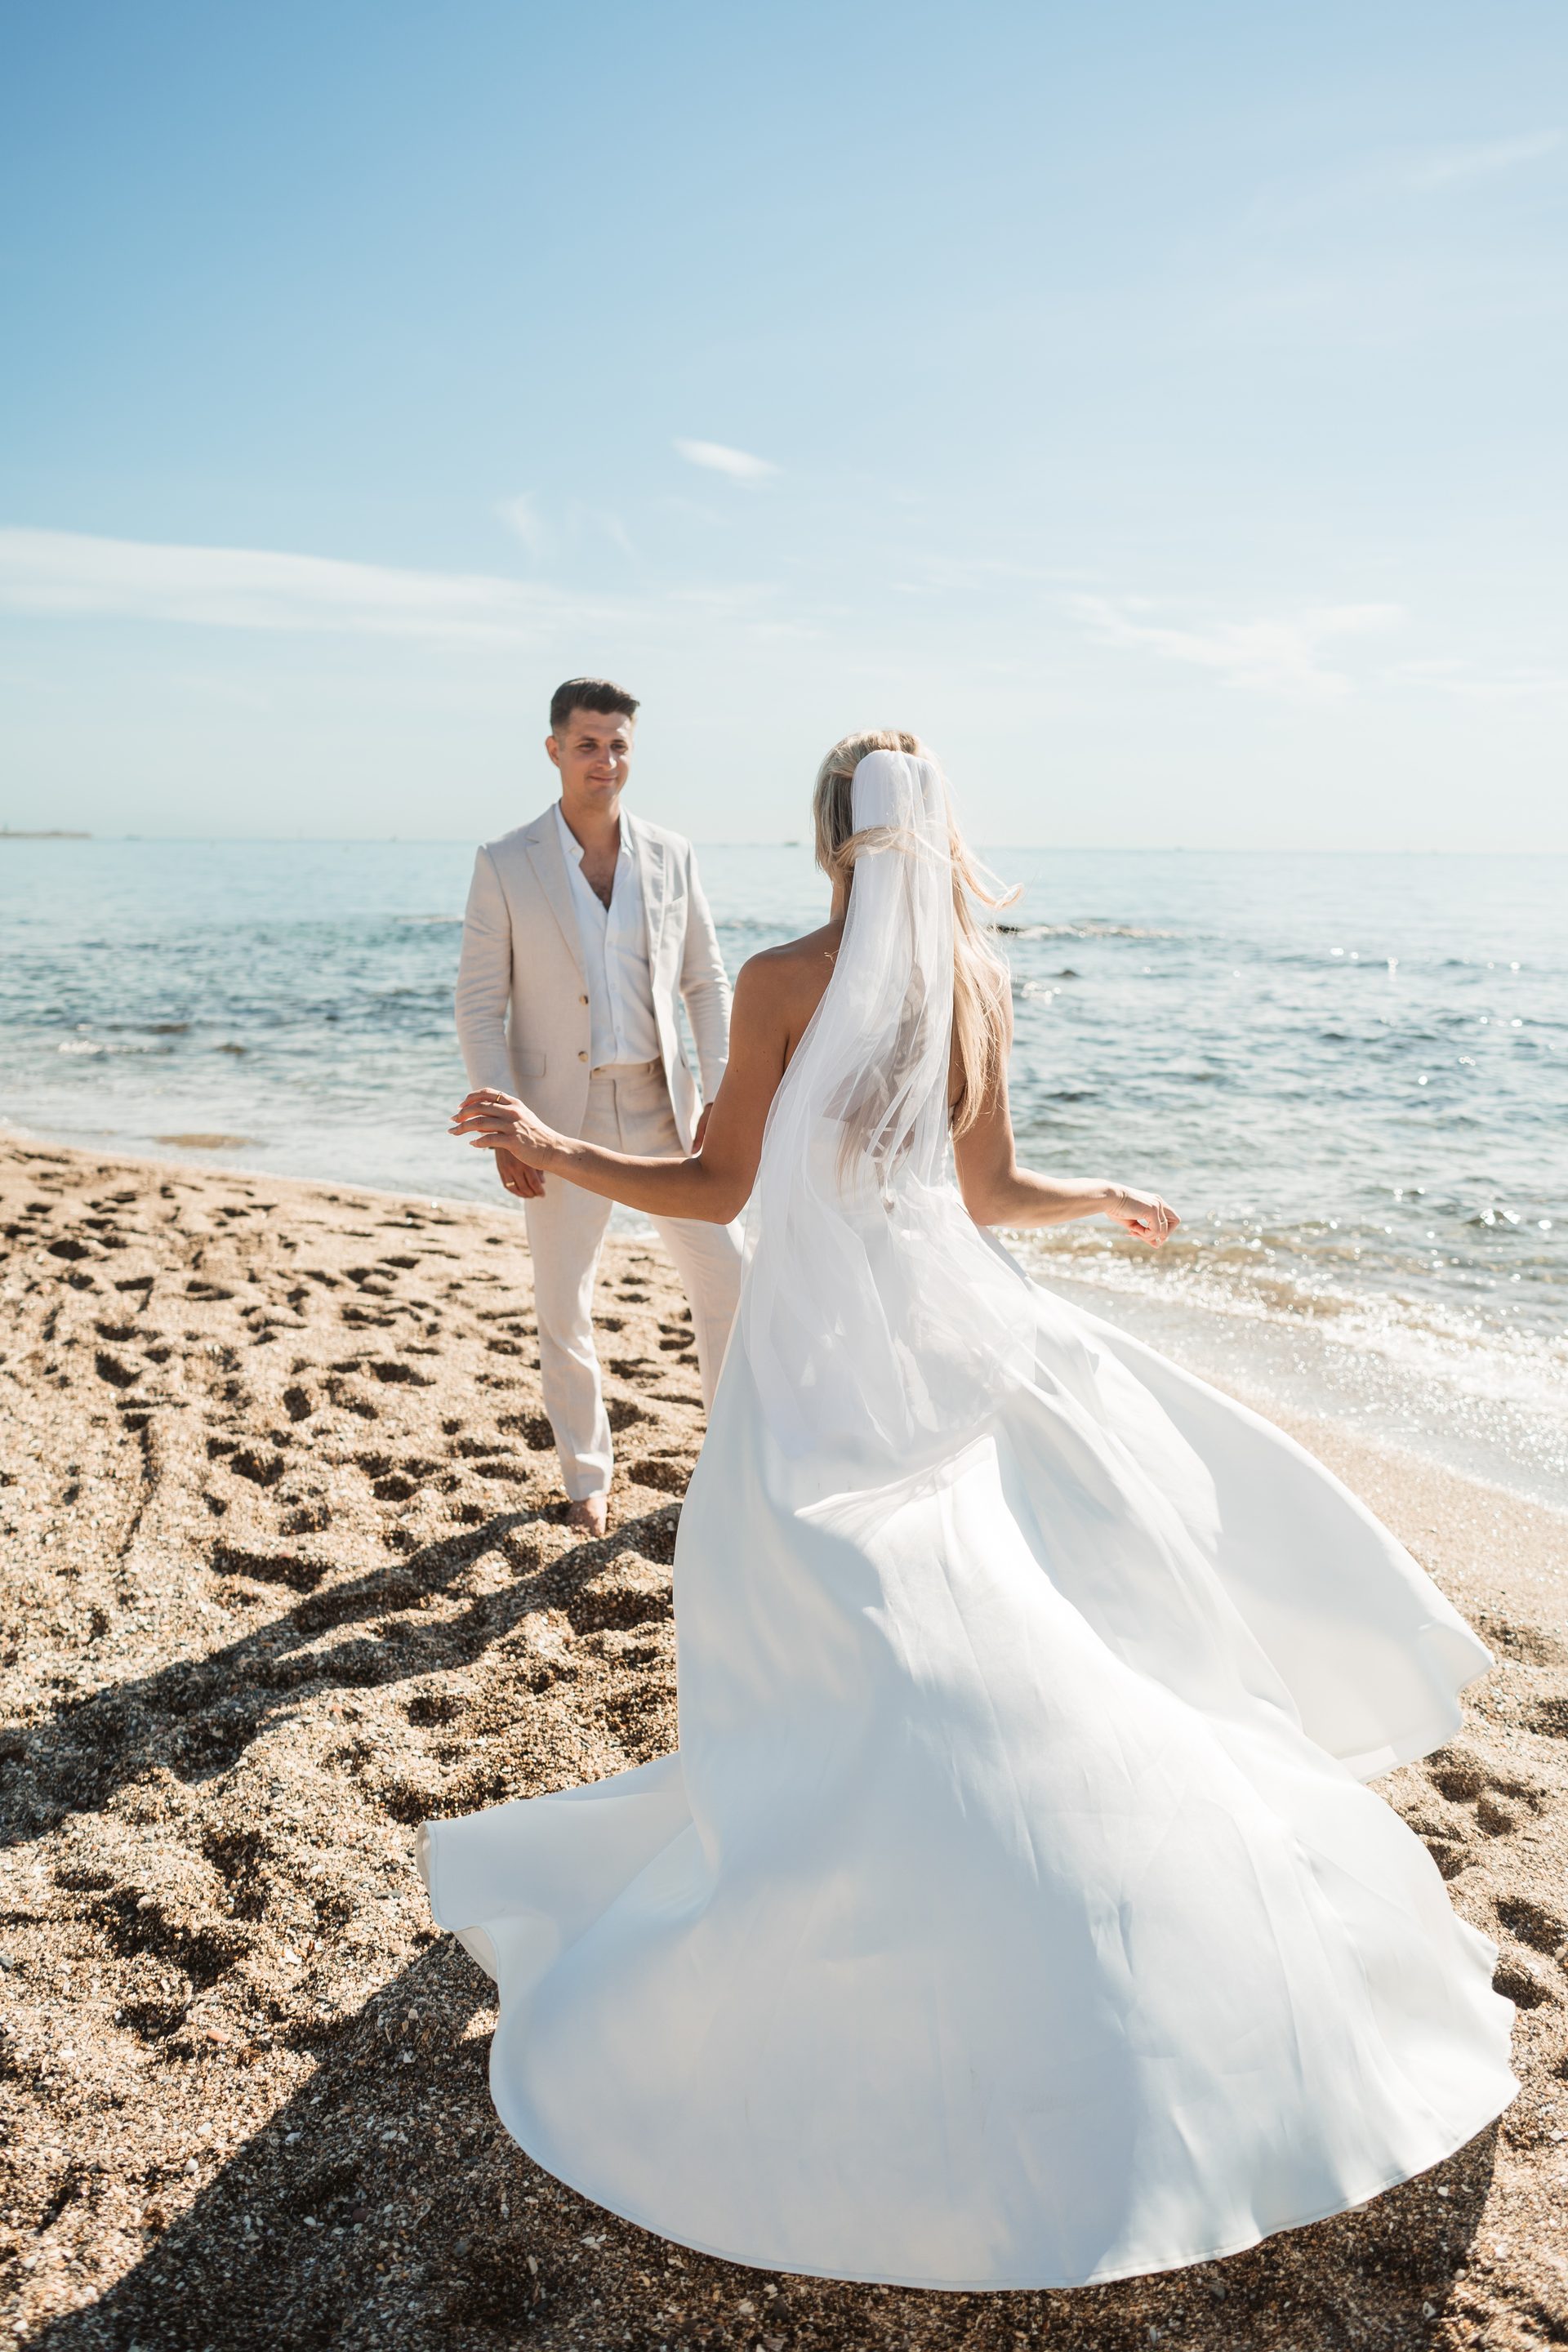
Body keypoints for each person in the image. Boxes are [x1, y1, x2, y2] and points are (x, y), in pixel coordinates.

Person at [427, 733, 1516, 2292]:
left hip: (818, 1376)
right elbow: (989, 1193)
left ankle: (852, 1899)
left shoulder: (790, 980)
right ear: (937, 842)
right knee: (993, 1624)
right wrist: (1098, 1200)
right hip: (953, 1345)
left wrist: (555, 1147)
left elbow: (717, 1185)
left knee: (841, 1632)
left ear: (825, 843)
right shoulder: (975, 987)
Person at [453, 676, 745, 1535]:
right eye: (587, 744)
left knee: (730, 1275)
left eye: (618, 744)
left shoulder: (672, 855)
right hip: (554, 1121)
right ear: (554, 750)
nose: (605, 760)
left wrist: (722, 1096)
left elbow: (706, 980)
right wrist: (507, 1125)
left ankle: (729, 1458)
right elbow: (478, 1003)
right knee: (563, 1300)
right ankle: (587, 1479)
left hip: (662, 1107)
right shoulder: (505, 862)